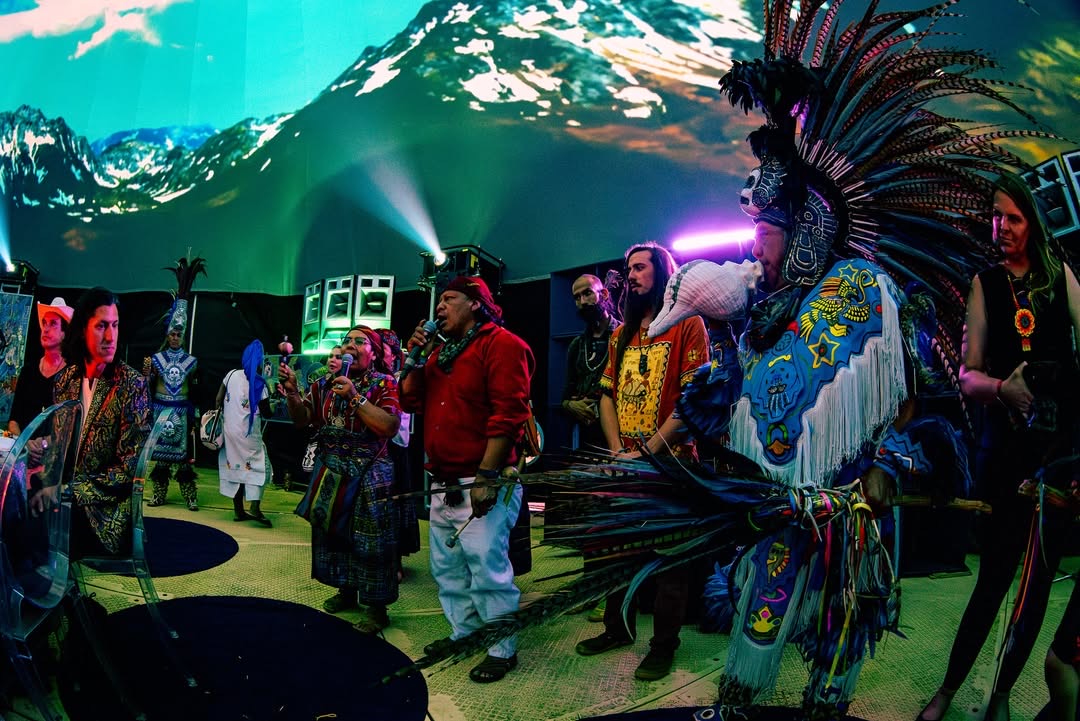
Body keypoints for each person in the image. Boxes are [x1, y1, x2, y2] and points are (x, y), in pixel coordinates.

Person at [918, 172, 1080, 721]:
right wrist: (1001, 389)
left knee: (1033, 592)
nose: (1002, 226)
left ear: (1031, 221)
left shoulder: (1062, 278)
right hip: (1007, 459)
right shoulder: (984, 283)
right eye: (995, 215)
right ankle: (947, 689)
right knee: (992, 583)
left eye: (1012, 217)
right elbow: (966, 377)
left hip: (1057, 461)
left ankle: (1004, 695)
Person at [574, 242, 709, 682]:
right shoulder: (621, 335)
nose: (629, 275)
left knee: (670, 561)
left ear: (662, 272)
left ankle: (663, 645)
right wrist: (617, 451)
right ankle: (617, 630)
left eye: (639, 268)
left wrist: (647, 450)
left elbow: (693, 401)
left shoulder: (688, 323)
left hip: (672, 465)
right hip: (625, 463)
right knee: (616, 554)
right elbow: (607, 395)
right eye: (627, 268)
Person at [400, 275, 534, 684]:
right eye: (438, 300)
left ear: (476, 303)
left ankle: (500, 648)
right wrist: (414, 357)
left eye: (449, 298)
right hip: (443, 482)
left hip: (481, 480)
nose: (439, 307)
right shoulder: (440, 353)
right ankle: (465, 634)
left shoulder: (504, 345)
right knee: (448, 569)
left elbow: (509, 415)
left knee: (487, 568)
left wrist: (487, 476)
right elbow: (409, 399)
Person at [280, 326, 402, 633]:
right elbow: (301, 420)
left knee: (371, 541)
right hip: (332, 467)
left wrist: (355, 397)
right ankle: (345, 591)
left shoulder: (384, 383)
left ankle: (376, 607)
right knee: (334, 533)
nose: (350, 345)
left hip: (370, 471)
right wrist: (294, 392)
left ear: (374, 353)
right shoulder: (323, 384)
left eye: (360, 342)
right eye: (346, 340)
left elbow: (389, 426)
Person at [46, 287, 151, 557]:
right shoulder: (65, 380)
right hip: (65, 501)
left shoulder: (131, 384)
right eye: (101, 326)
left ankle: (54, 596)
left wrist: (67, 492)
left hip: (106, 514)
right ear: (82, 329)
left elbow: (129, 469)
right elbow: (60, 453)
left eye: (114, 325)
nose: (110, 336)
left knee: (33, 530)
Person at [376, 327, 420, 580]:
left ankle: (395, 561)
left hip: (394, 449)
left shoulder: (400, 377)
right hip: (371, 449)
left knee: (394, 506)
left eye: (385, 351)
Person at [217, 340, 274, 527]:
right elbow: (267, 413)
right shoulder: (260, 383)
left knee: (236, 468)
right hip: (249, 437)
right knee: (261, 468)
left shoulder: (231, 374)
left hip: (230, 433)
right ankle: (255, 508)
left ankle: (238, 511)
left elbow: (218, 399)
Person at [146, 323, 199, 511]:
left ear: (183, 337)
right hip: (161, 409)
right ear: (168, 336)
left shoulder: (191, 361)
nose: (175, 337)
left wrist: (195, 415)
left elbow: (194, 389)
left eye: (179, 334)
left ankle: (190, 497)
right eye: (172, 334)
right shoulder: (156, 360)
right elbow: (147, 384)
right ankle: (158, 494)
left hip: (181, 411)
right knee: (161, 458)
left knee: (182, 459)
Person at [562, 274, 617, 452]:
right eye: (577, 297)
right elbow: (566, 395)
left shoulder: (624, 336)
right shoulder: (577, 346)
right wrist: (571, 405)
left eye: (588, 293)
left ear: (605, 294)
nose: (582, 302)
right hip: (587, 441)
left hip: (621, 436)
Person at [8, 297, 72, 437]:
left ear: (64, 333)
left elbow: (71, 428)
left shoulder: (72, 375)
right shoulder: (28, 371)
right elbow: (13, 420)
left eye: (53, 324)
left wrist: (44, 445)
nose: (46, 329)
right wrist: (24, 445)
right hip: (24, 453)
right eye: (44, 323)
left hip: (55, 455)